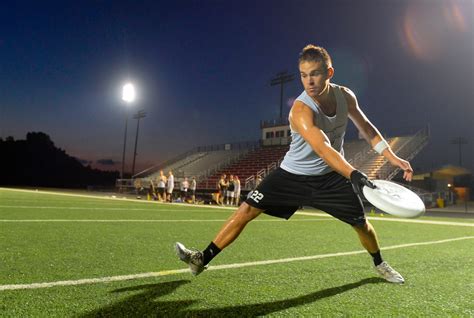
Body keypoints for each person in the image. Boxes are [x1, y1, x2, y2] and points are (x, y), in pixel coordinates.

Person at [176, 44, 413, 284]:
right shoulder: (300, 110)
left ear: (329, 73)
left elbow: (367, 128)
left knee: (361, 224)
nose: (309, 81)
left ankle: (380, 264)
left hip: (331, 177)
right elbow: (322, 148)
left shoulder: (345, 96)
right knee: (246, 210)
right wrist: (353, 173)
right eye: (303, 75)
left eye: (315, 74)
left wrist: (393, 157)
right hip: (293, 175)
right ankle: (201, 259)